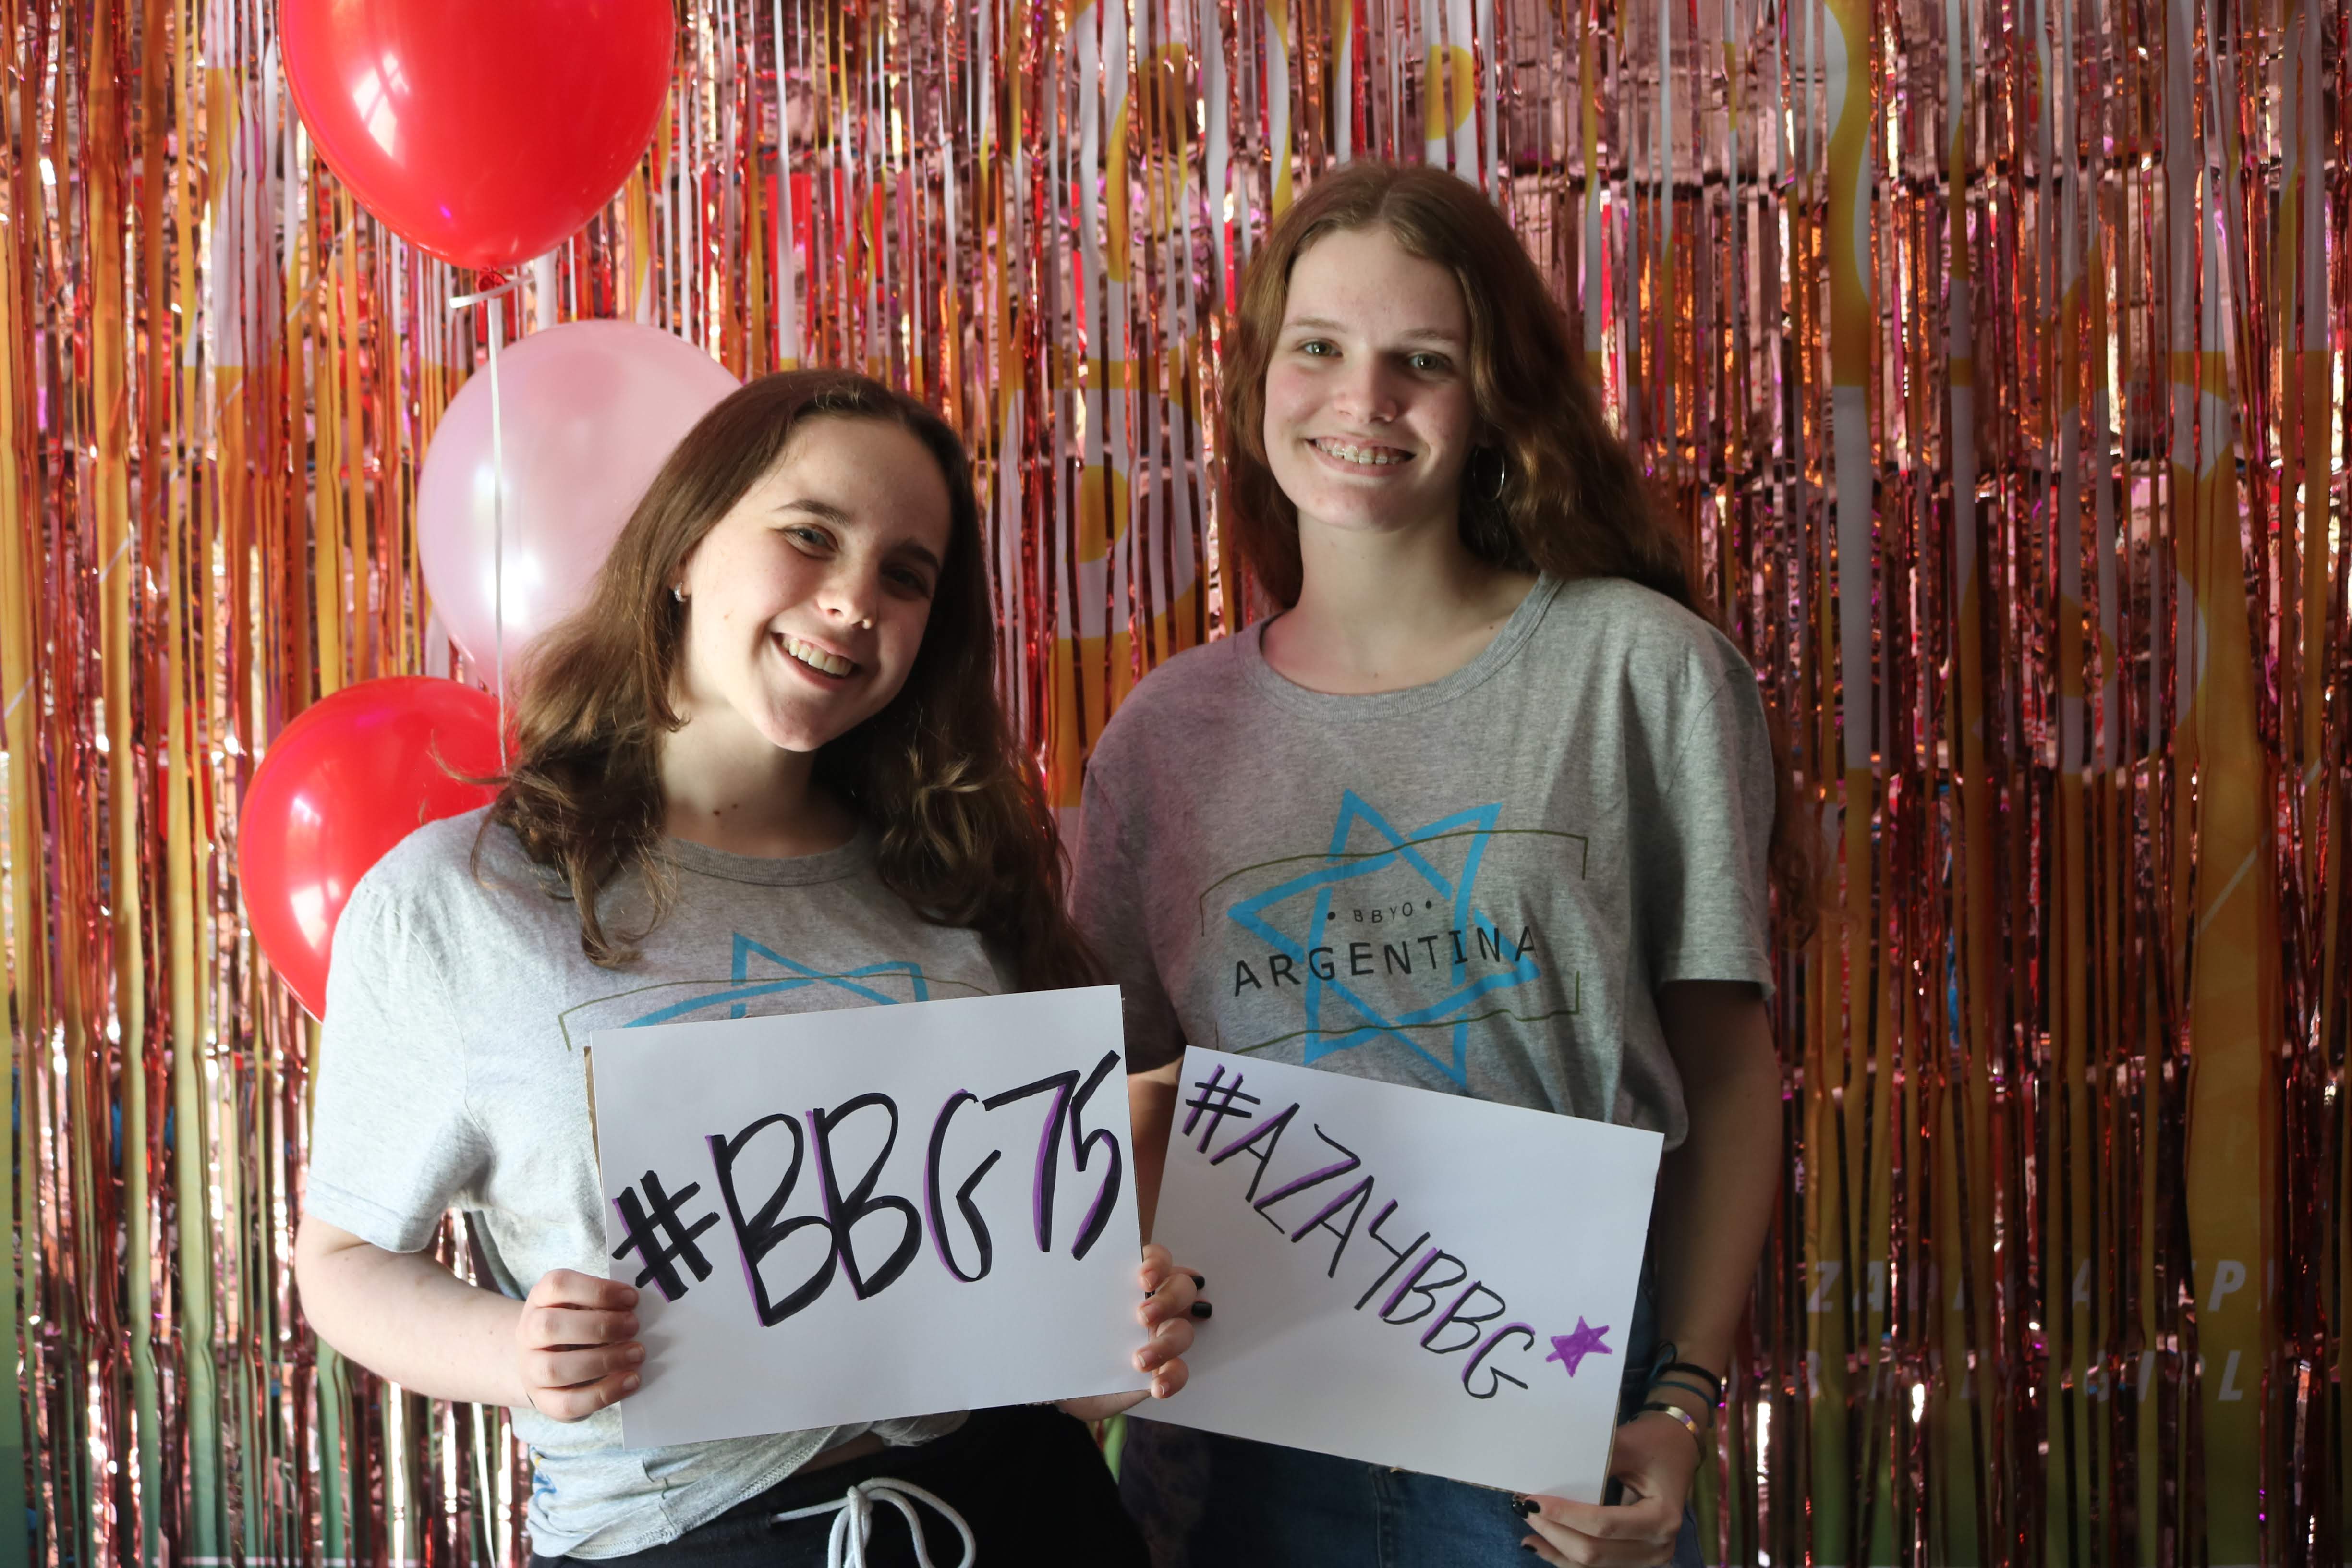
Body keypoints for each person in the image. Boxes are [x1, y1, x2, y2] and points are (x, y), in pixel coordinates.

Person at [293, 370, 1204, 1567]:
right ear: (684, 546)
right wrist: (511, 1350)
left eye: (904, 575)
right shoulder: (461, 899)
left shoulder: (955, 882)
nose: (852, 601)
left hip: (1025, 1513)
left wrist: (1119, 1337)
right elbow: (345, 1262)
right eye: (811, 535)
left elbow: (1038, 1307)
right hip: (687, 1535)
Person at [1074, 162, 1810, 1568]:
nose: (1363, 399)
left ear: (1493, 400)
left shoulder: (1639, 669)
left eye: (1423, 360)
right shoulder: (1164, 736)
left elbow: (1726, 1069)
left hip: (1550, 1434)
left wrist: (1680, 1400)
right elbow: (1123, 1103)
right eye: (1319, 347)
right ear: (1257, 377)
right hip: (1233, 1445)